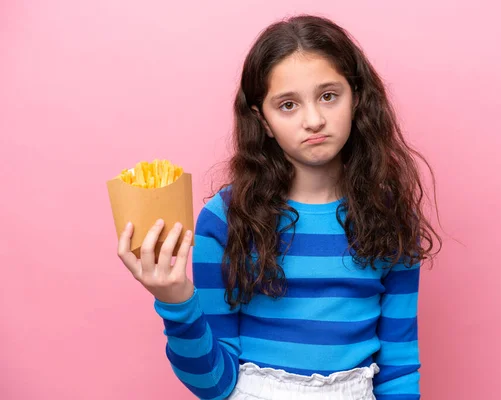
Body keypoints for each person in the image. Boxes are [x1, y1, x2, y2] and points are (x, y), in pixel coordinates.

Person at [117, 14, 441, 400]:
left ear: (356, 97)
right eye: (288, 105)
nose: (314, 120)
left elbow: (399, 366)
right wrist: (175, 301)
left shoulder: (390, 217)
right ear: (263, 121)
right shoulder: (223, 221)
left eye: (328, 95)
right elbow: (213, 386)